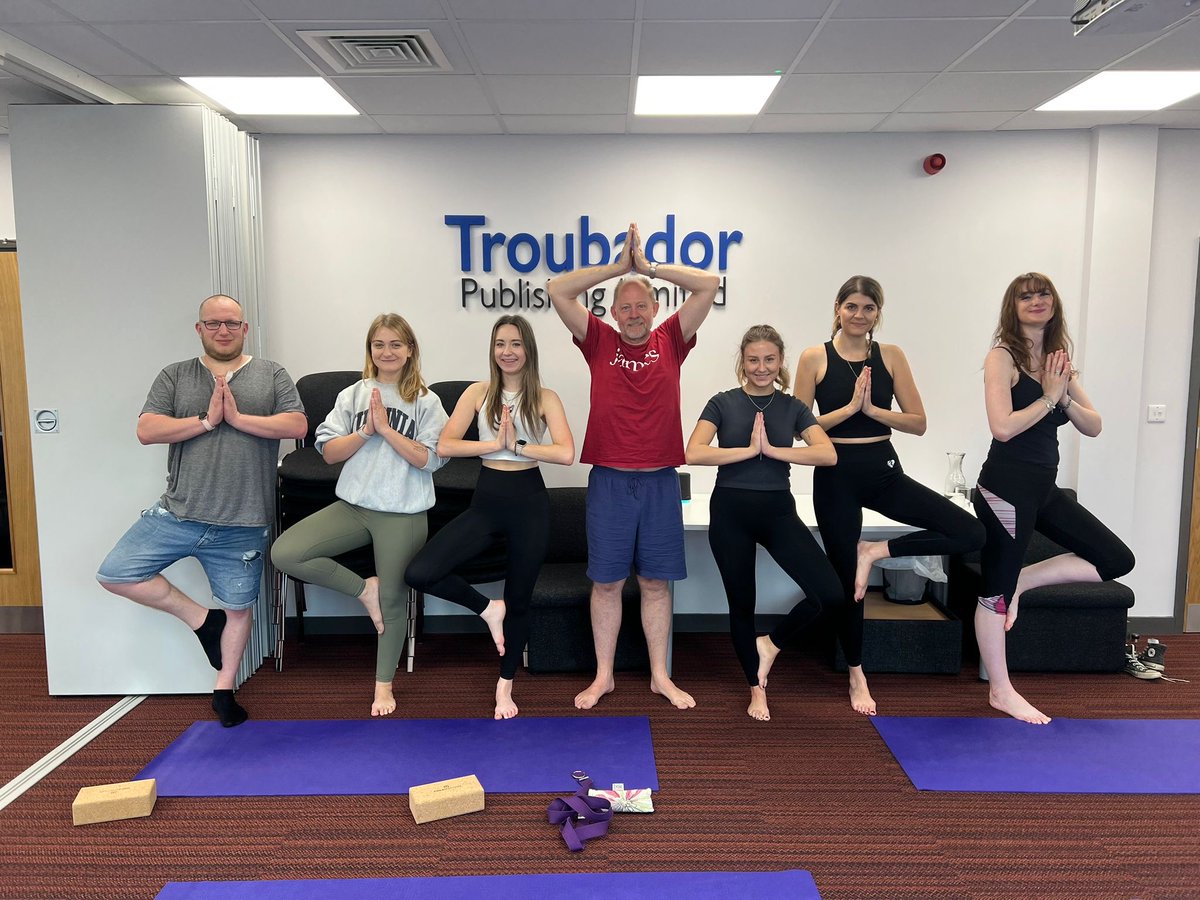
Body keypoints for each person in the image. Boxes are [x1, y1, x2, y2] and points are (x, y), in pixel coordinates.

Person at [97, 294, 307, 727]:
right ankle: (200, 620)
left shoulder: (271, 374)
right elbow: (147, 429)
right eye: (213, 324)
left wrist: (237, 418)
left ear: (245, 329)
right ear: (199, 329)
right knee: (116, 572)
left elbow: (297, 424)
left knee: (238, 608)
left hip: (244, 521)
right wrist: (207, 422)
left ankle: (224, 690)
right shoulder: (175, 375)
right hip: (179, 513)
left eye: (231, 323)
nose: (223, 331)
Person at [547, 223, 720, 711]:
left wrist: (647, 269)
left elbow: (708, 284)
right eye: (624, 306)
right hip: (609, 479)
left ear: (655, 309)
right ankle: (603, 676)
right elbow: (557, 290)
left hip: (661, 480)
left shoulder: (672, 338)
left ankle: (660, 676)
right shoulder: (599, 340)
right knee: (605, 582)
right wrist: (619, 268)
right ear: (613, 312)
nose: (633, 314)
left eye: (641, 304)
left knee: (654, 582)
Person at [796, 276, 985, 716]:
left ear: (878, 313)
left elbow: (917, 422)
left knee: (970, 531)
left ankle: (876, 549)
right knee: (848, 586)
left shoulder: (891, 356)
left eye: (868, 308)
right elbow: (796, 429)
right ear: (838, 308)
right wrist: (847, 410)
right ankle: (857, 673)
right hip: (835, 475)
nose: (859, 315)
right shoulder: (814, 358)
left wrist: (874, 410)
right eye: (852, 307)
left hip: (884, 471)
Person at [974, 273, 1134, 724]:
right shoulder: (1001, 357)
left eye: (1042, 294)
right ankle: (1001, 691)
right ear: (1013, 307)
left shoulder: (1059, 360)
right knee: (993, 593)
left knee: (1114, 559)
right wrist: (1047, 397)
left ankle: (1023, 580)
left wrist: (1061, 396)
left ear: (1053, 303)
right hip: (1004, 489)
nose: (1036, 301)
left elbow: (1094, 424)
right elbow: (1002, 427)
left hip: (1043, 488)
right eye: (1025, 296)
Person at [271, 313, 447, 717]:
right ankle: (361, 589)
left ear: (410, 350)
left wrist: (388, 431)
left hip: (403, 512)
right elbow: (329, 453)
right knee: (287, 553)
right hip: (354, 506)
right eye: (379, 345)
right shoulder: (353, 394)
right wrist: (366, 431)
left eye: (396, 344)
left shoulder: (426, 401)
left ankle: (383, 685)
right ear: (370, 350)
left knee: (393, 599)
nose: (387, 352)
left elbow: (431, 461)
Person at [405, 315, 574, 719]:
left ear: (528, 350)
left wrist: (516, 445)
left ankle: (505, 685)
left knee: (519, 598)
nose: (508, 352)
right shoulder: (477, 394)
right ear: (492, 349)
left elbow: (566, 453)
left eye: (516, 344)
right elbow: (445, 445)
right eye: (500, 343)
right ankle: (486, 609)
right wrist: (492, 443)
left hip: (530, 503)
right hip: (487, 500)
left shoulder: (545, 398)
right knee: (421, 571)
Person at [685, 324, 840, 721]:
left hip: (778, 512)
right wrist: (747, 451)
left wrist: (773, 450)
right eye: (753, 359)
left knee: (830, 595)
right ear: (743, 361)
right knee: (742, 604)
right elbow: (695, 452)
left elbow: (827, 454)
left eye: (769, 359)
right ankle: (756, 688)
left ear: (780, 362)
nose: (761, 367)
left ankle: (770, 643)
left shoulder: (792, 408)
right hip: (730, 512)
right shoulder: (723, 402)